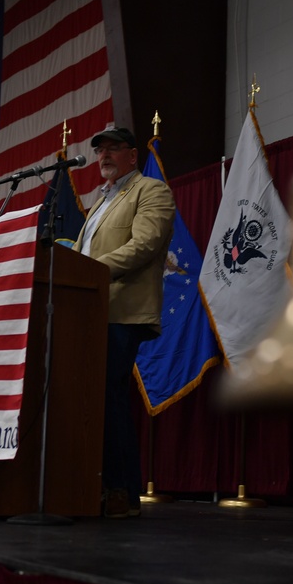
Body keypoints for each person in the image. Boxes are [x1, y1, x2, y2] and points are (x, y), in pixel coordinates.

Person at [73, 126, 175, 518]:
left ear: (133, 155)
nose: (104, 155)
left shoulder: (150, 191)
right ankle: (88, 484)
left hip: (121, 312)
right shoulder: (99, 202)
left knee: (108, 396)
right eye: (100, 150)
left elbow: (146, 243)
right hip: (86, 313)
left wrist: (89, 270)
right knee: (89, 399)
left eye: (114, 148)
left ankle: (121, 491)